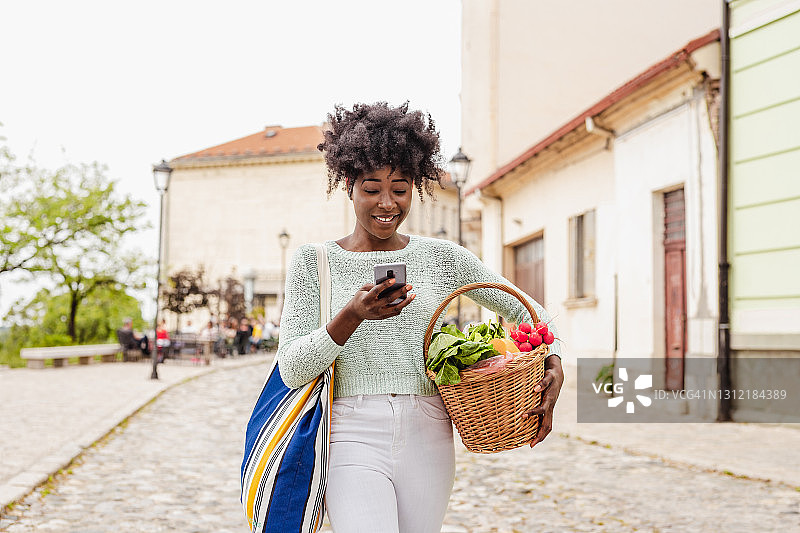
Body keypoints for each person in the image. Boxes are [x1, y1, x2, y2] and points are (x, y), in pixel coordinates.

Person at [275, 102, 564, 533]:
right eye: (372, 188)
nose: (387, 203)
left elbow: (529, 311)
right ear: (349, 185)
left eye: (400, 188)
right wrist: (352, 315)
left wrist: (553, 359)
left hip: (430, 429)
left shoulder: (441, 258)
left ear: (416, 188)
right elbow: (292, 368)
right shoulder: (314, 262)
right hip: (350, 431)